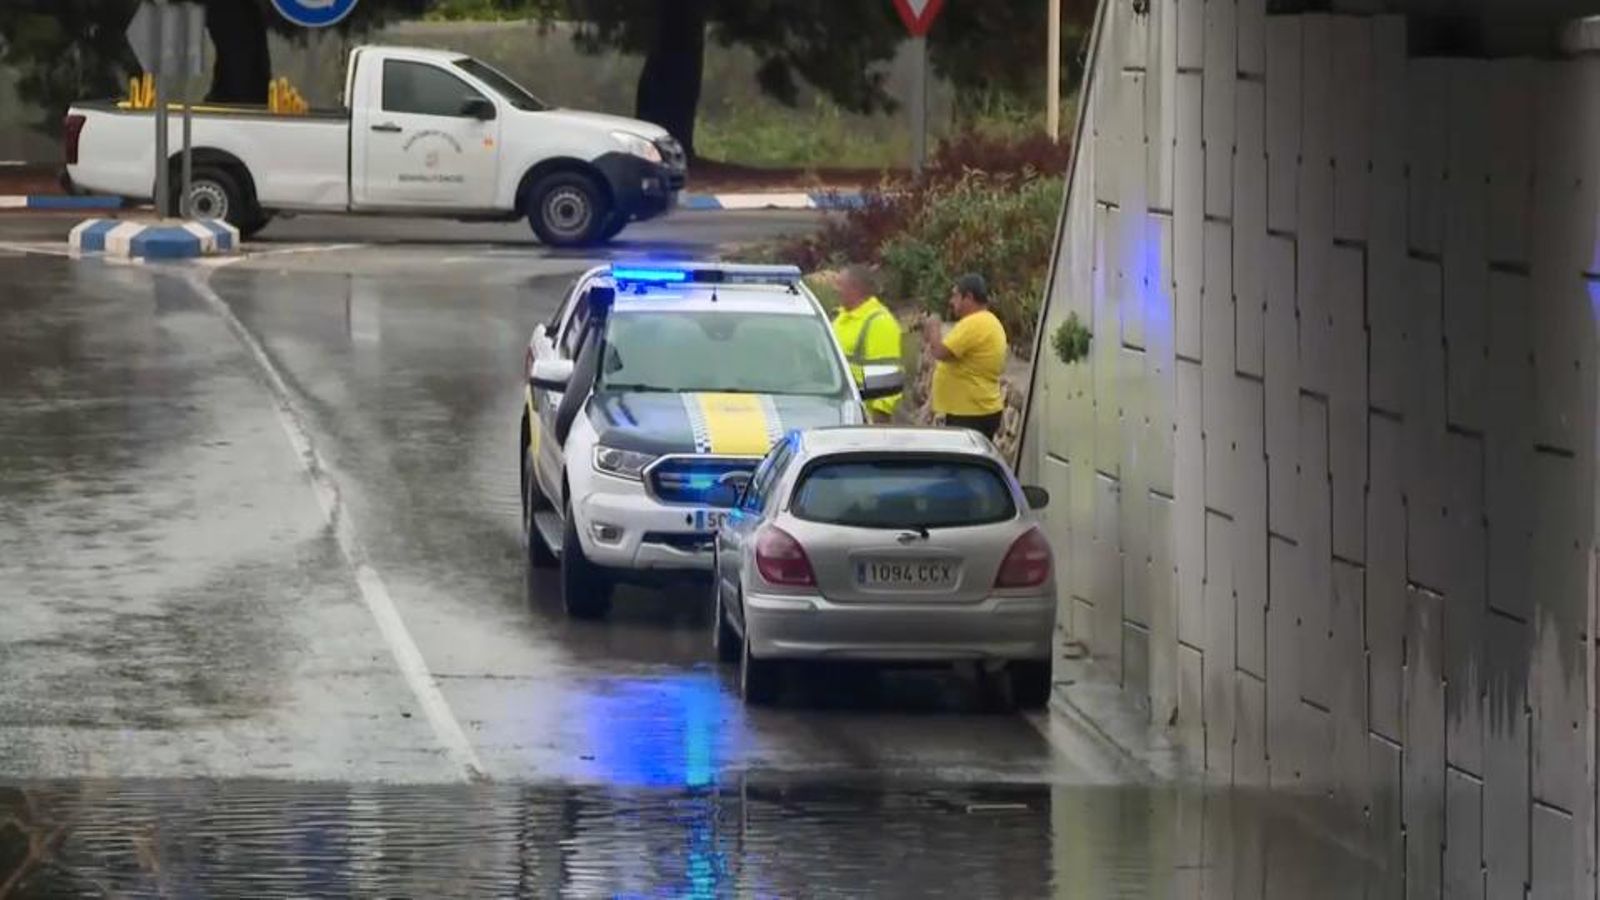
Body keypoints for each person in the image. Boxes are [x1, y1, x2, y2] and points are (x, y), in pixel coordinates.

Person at [922, 272, 1007, 440]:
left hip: (969, 414)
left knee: (958, 466)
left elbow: (940, 352)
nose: (951, 302)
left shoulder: (975, 323)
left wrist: (934, 325)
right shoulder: (987, 322)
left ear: (968, 297)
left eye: (955, 296)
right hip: (976, 410)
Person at [830, 264, 903, 423]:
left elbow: (886, 380)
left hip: (864, 418)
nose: (835, 290)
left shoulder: (879, 323)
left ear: (855, 288)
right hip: (839, 412)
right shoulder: (841, 318)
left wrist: (877, 425)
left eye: (840, 285)